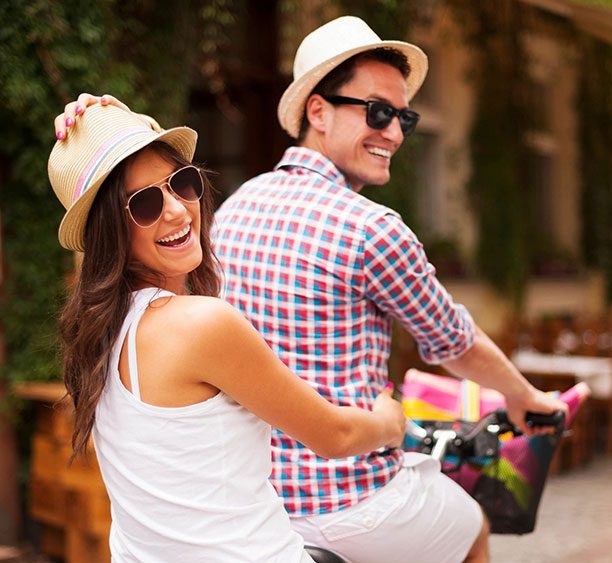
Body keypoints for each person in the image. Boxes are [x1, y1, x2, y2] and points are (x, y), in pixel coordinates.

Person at [58, 16, 567, 562]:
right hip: (342, 497)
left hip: (265, 497)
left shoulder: (226, 219)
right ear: (317, 111)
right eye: (377, 111)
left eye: (183, 184)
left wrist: (100, 129)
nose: (394, 132)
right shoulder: (370, 229)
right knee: (472, 526)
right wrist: (504, 400)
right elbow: (449, 344)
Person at [49, 100, 405, 562]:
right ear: (108, 230)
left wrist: (109, 121)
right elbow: (334, 436)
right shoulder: (200, 324)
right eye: (146, 204)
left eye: (182, 183)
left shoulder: (100, 336)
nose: (177, 210)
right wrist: (389, 421)